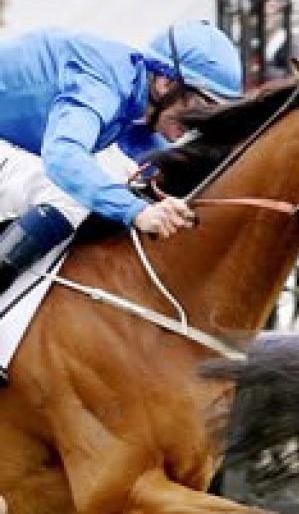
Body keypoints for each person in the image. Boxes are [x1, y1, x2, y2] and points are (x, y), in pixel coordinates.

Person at [0, 21, 243, 356]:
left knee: (116, 180)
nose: (201, 122)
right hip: (33, 149)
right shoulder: (102, 83)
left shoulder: (139, 102)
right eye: (202, 106)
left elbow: (144, 169)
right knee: (65, 192)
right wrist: (138, 211)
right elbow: (63, 157)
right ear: (165, 82)